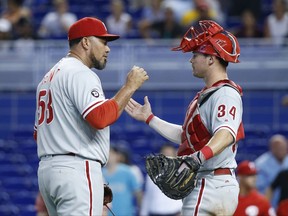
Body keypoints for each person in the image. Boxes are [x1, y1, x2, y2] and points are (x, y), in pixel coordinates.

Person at [125, 20, 245, 215]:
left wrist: (197, 158)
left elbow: (226, 134)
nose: (191, 60)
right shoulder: (209, 94)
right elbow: (187, 135)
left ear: (211, 59)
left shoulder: (225, 93)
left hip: (210, 182)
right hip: (212, 182)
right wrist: (150, 118)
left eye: (195, 54)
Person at [33, 17, 149, 216]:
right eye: (103, 41)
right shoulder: (80, 72)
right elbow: (100, 118)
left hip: (49, 171)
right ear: (86, 42)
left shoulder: (48, 77)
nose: (107, 48)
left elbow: (38, 134)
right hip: (75, 169)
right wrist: (129, 87)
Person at [140, 143, 182, 216]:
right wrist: (143, 213)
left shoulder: (182, 171)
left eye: (169, 154)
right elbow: (148, 194)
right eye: (165, 154)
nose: (167, 157)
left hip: (175, 212)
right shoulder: (152, 172)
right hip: (155, 212)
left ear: (174, 155)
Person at [102, 146, 142, 216]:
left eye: (111, 153)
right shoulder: (100, 173)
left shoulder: (127, 171)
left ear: (117, 156)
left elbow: (138, 193)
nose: (109, 156)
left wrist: (141, 211)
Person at [255, 134, 288, 208]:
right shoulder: (261, 164)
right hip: (269, 206)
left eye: (284, 147)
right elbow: (256, 189)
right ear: (272, 148)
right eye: (279, 148)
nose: (282, 150)